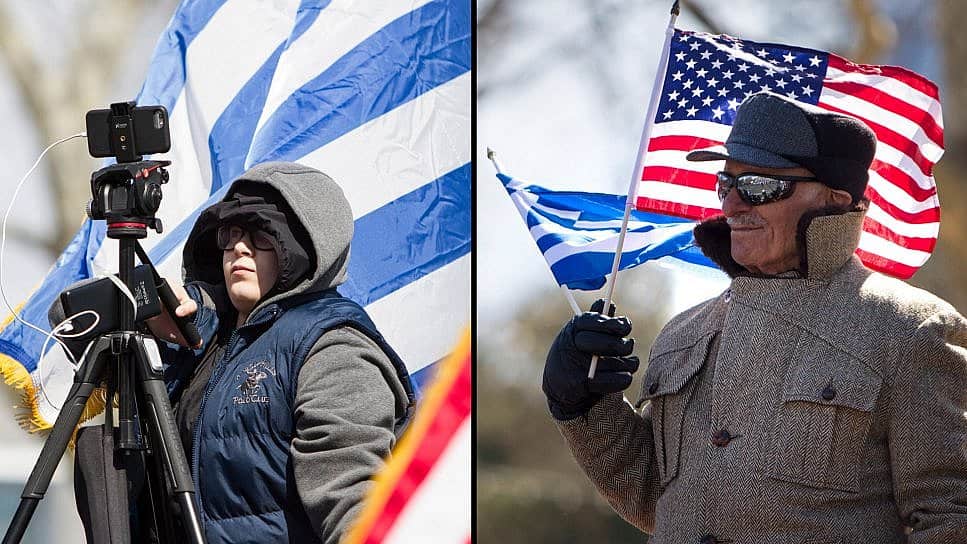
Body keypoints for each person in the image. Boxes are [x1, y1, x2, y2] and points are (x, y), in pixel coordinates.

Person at [542, 92, 967, 542]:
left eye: (760, 187)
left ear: (833, 201)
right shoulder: (682, 334)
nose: (732, 205)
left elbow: (951, 519)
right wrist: (583, 407)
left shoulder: (911, 331)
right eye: (726, 184)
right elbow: (656, 500)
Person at [148, 161, 416, 543]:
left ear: (301, 250)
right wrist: (141, 308)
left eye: (261, 234)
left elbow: (354, 497)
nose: (239, 247)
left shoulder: (333, 346)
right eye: (232, 232)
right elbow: (67, 322)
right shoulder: (196, 336)